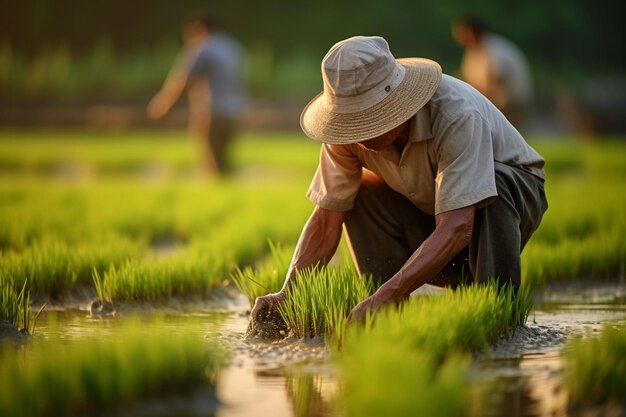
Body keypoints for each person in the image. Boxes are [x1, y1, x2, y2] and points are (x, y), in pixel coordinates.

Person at [248, 35, 547, 332]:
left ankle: (499, 316)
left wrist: (389, 294)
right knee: (359, 193)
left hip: (509, 201)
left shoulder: (455, 114)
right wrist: (289, 292)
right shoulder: (345, 135)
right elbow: (327, 219)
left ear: (399, 102)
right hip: (430, 207)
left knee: (492, 183)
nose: (360, 133)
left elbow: (458, 224)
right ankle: (384, 319)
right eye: (352, 121)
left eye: (370, 118)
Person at [148, 13, 246, 175]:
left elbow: (183, 79)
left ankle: (218, 196)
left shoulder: (202, 47)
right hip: (235, 112)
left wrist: (164, 104)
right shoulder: (233, 47)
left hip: (210, 112)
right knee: (224, 163)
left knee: (211, 165)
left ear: (199, 29)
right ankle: (228, 195)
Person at [452, 15, 533, 130]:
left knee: (506, 138)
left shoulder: (493, 50)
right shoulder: (473, 51)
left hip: (511, 102)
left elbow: (496, 83)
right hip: (495, 101)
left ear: (470, 31)